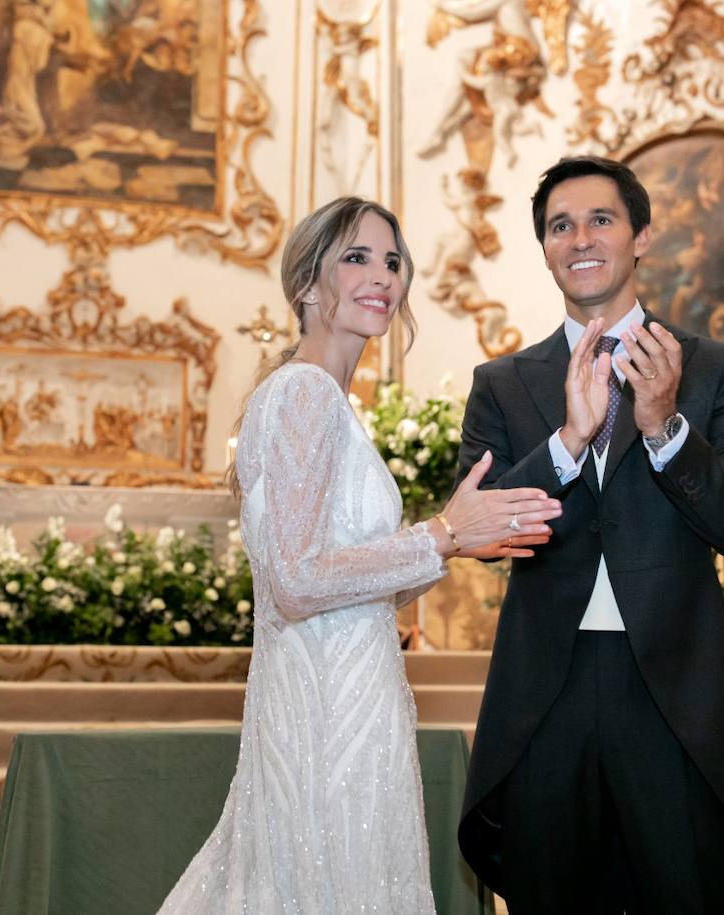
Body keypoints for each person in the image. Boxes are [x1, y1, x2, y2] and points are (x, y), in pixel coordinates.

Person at [157, 196, 563, 913]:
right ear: (309, 283)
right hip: (323, 716)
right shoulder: (304, 394)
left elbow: (344, 581)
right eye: (357, 256)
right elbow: (294, 580)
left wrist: (456, 547)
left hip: (348, 696)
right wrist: (440, 532)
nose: (383, 275)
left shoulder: (331, 403)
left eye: (393, 260)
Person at [454, 155, 724, 913]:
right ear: (545, 249)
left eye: (601, 218)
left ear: (641, 238)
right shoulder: (501, 382)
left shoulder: (715, 369)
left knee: (682, 890)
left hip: (670, 686)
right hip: (545, 689)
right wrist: (567, 439)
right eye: (560, 225)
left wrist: (665, 429)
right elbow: (473, 529)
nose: (581, 237)